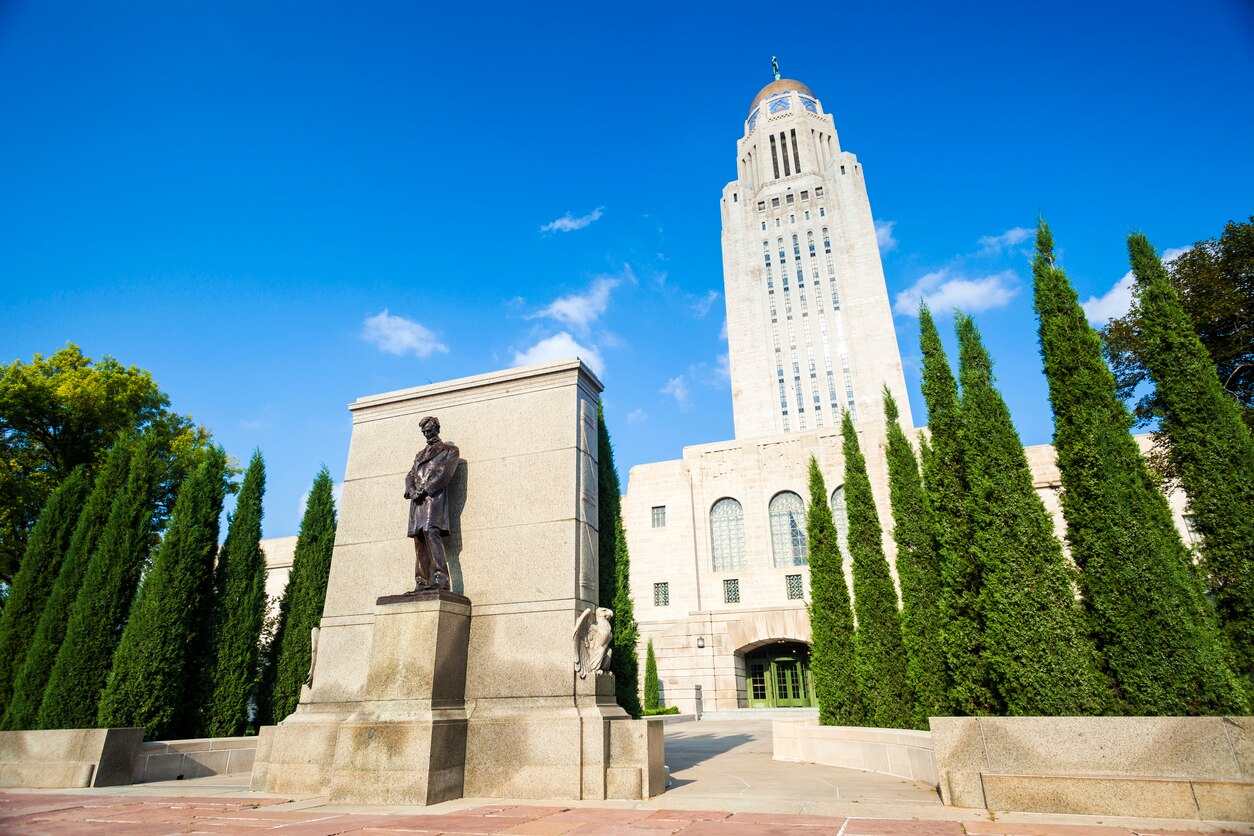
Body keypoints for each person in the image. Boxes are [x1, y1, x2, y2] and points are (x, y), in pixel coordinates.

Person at [403, 416, 460, 593]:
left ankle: (441, 580)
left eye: (429, 430)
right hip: (417, 503)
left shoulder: (450, 451)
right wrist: (411, 490)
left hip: (433, 500)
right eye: (424, 432)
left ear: (436, 429)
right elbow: (410, 475)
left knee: (430, 531)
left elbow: (445, 475)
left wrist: (425, 489)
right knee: (419, 539)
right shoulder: (419, 455)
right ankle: (421, 581)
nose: (426, 434)